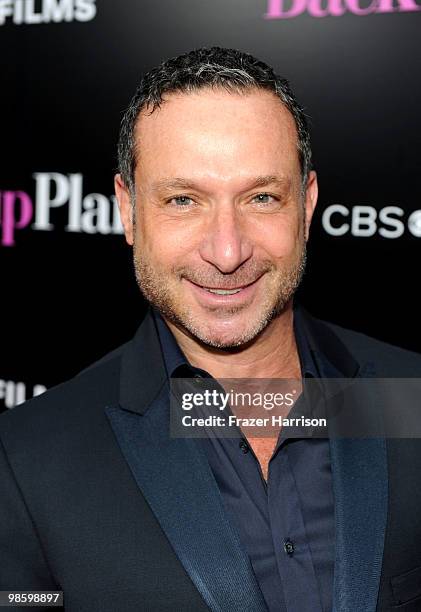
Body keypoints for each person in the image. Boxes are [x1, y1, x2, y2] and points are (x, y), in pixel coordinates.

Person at [1, 47, 421, 612]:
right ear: (128, 210)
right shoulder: (27, 460)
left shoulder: (411, 395)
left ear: (308, 204)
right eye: (183, 200)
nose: (227, 252)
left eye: (262, 197)